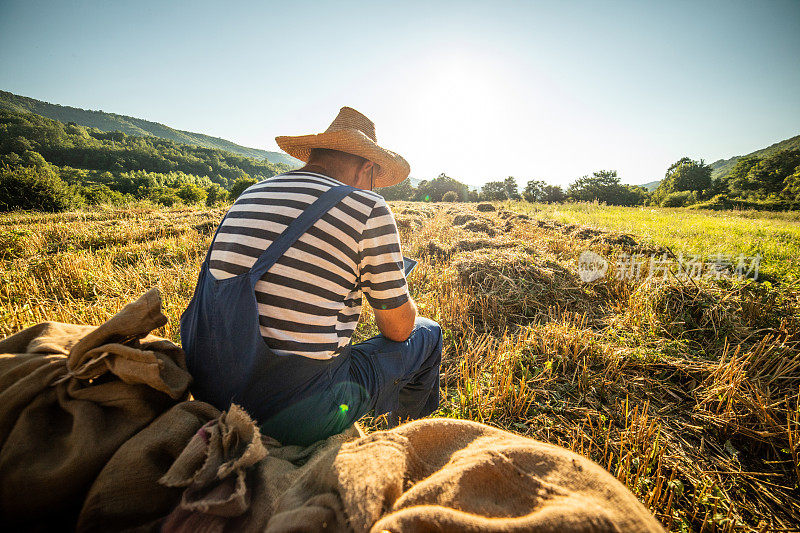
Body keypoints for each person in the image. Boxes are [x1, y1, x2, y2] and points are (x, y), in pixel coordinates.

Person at [181, 106, 442, 446]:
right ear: (366, 169)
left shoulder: (250, 194)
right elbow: (398, 329)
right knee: (428, 333)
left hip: (210, 389)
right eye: (375, 180)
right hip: (292, 410)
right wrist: (403, 300)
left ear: (316, 154)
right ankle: (407, 444)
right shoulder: (368, 208)